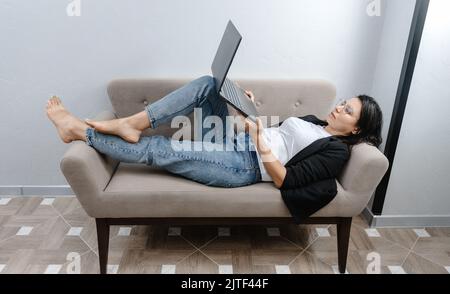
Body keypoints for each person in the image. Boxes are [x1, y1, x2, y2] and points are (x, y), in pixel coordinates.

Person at [46, 75, 383, 220]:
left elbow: (284, 179)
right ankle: (132, 123)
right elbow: (275, 135)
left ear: (356, 128)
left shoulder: (336, 151)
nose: (339, 108)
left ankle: (78, 131)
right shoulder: (315, 121)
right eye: (343, 103)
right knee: (210, 85)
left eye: (347, 110)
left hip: (242, 166)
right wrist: (244, 109)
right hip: (235, 140)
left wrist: (256, 139)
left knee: (161, 149)